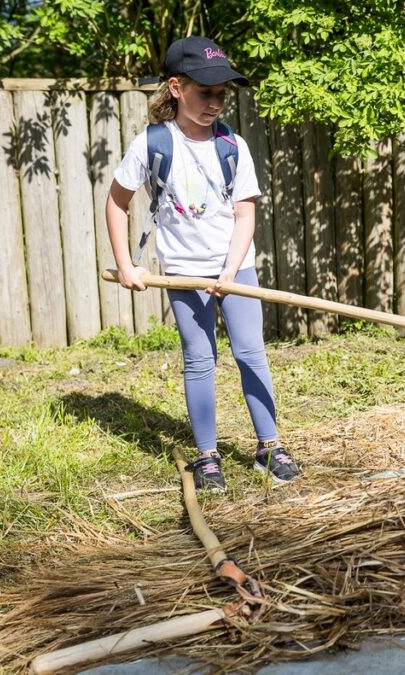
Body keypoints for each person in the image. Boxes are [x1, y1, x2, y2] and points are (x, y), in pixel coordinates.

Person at [106, 36, 298, 490]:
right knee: (199, 359)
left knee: (251, 352)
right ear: (175, 88)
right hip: (183, 272)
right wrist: (126, 265)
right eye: (205, 92)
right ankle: (208, 456)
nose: (215, 103)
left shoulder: (233, 145)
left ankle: (268, 446)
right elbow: (116, 203)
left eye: (222, 94)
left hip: (236, 268)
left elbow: (246, 212)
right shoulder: (153, 144)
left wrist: (230, 271)